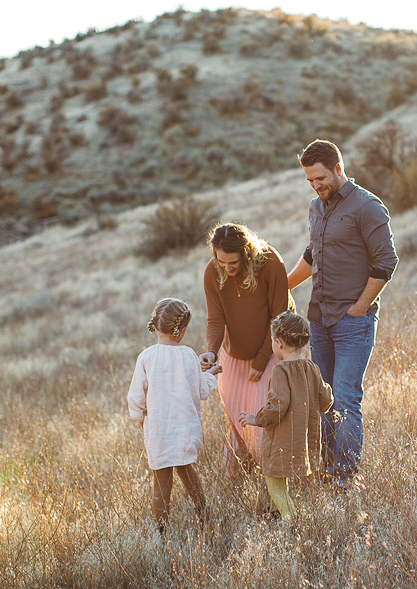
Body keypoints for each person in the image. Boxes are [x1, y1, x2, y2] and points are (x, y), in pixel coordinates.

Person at [287, 139, 398, 491]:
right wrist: (282, 286)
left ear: (338, 168)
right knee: (324, 397)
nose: (316, 186)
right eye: (309, 181)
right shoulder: (315, 208)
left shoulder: (368, 207)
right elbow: (312, 253)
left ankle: (347, 478)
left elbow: (386, 262)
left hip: (352, 322)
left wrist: (359, 308)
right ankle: (328, 469)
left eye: (320, 178)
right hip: (318, 319)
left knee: (346, 397)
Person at [199, 223, 292, 478]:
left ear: (247, 254)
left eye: (233, 263)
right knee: (239, 419)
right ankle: (243, 476)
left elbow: (279, 317)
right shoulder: (212, 272)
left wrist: (262, 360)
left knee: (264, 418)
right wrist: (211, 352)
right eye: (221, 261)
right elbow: (215, 321)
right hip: (233, 356)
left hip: (270, 350)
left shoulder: (271, 262)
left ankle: (277, 476)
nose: (227, 268)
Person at [127, 297, 222, 532]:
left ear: (157, 326)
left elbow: (136, 397)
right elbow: (201, 390)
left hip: (158, 430)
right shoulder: (189, 355)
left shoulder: (146, 357)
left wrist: (140, 418)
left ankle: (161, 532)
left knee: (160, 483)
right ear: (181, 331)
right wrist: (212, 374)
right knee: (188, 472)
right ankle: (205, 519)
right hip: (184, 428)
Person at [238, 311, 333, 521]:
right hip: (301, 441)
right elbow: (326, 402)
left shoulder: (281, 370)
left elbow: (278, 405)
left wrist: (257, 418)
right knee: (282, 480)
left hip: (280, 439)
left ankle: (294, 521)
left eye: (272, 340)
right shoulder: (312, 368)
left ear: (279, 343)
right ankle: (276, 516)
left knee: (275, 485)